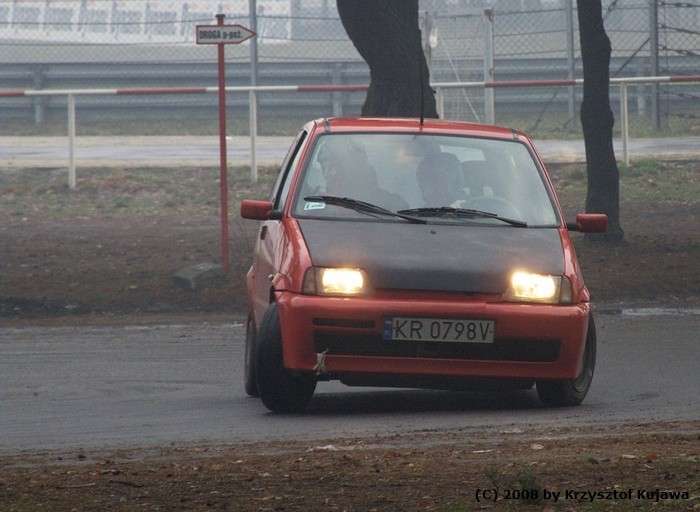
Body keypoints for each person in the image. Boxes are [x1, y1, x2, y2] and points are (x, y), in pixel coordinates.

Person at [316, 136, 407, 211]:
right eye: (324, 168)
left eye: (332, 167)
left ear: (351, 170)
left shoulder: (392, 206)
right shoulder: (315, 204)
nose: (326, 174)